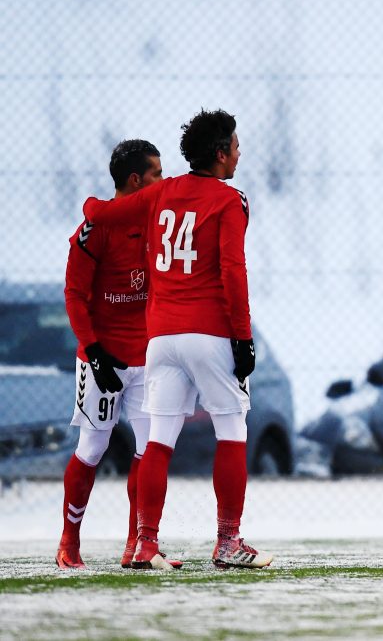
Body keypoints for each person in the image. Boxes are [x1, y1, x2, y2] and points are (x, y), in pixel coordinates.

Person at [83, 109, 270, 570]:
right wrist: (243, 338)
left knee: (159, 441)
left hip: (161, 337)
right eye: (236, 145)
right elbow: (232, 271)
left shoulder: (162, 191)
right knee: (232, 428)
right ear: (221, 152)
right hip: (208, 333)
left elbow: (104, 213)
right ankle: (228, 542)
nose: (240, 153)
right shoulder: (231, 200)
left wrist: (91, 207)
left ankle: (145, 543)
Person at [56, 139, 181, 569]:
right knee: (93, 446)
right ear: (136, 180)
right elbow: (74, 294)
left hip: (150, 357)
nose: (163, 181)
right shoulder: (93, 230)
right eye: (157, 174)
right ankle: (69, 544)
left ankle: (138, 544)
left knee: (151, 449)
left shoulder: (161, 220)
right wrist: (93, 352)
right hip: (103, 357)